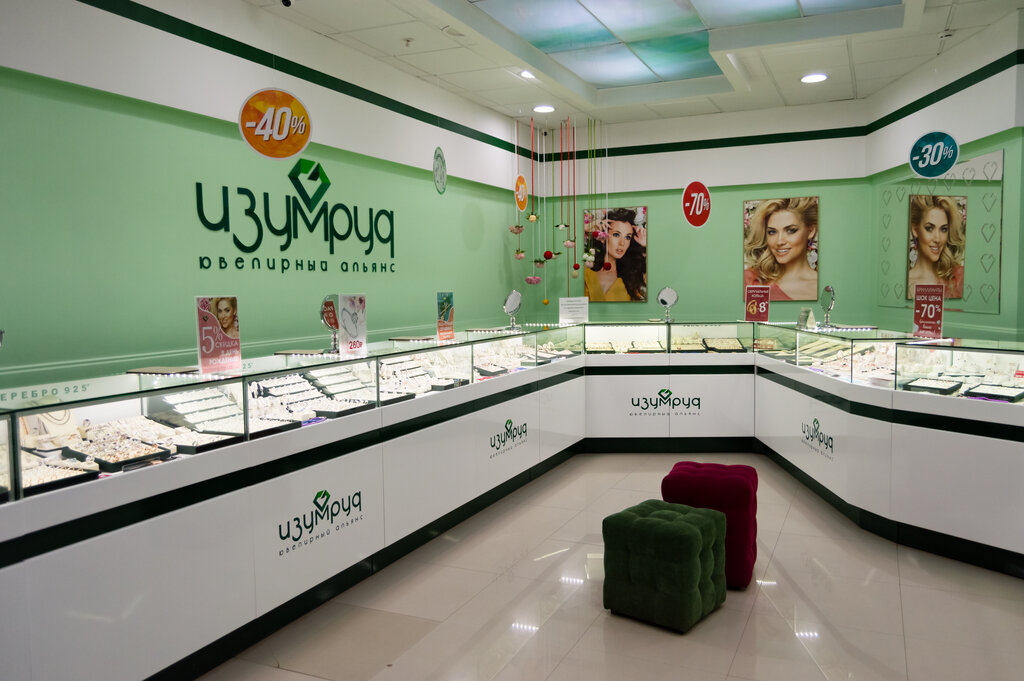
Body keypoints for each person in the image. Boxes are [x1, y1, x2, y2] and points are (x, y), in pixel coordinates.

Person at [743, 197, 819, 301]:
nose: (779, 241)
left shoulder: (824, 286)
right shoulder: (751, 280)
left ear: (810, 231)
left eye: (791, 230)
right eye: (772, 232)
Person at [907, 195, 965, 298]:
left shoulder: (959, 277)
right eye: (929, 228)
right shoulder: (904, 283)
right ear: (915, 230)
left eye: (943, 229)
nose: (937, 239)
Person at [584, 207, 648, 301]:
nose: (622, 243)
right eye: (616, 235)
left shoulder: (634, 274)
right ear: (602, 238)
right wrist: (586, 228)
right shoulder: (585, 272)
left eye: (627, 237)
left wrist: (646, 245)